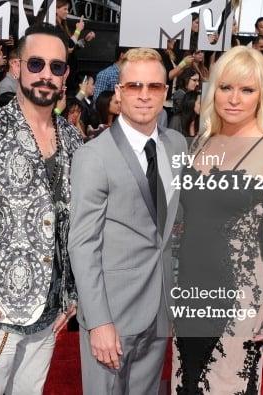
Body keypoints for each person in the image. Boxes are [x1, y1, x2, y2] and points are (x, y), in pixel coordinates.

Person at [0, 23, 82, 395]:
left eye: (57, 67)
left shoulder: (73, 139)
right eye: (36, 63)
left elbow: (75, 224)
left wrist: (71, 294)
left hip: (50, 312)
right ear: (16, 67)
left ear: (66, 74)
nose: (46, 75)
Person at [171, 46, 263, 393]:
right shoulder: (203, 141)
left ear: (262, 94)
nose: (234, 99)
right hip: (190, 290)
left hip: (239, 296)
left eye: (247, 90)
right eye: (226, 87)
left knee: (227, 384)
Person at [69, 47, 187, 395]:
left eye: (154, 86)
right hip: (113, 313)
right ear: (119, 92)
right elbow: (82, 244)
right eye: (134, 85)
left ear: (165, 92)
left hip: (160, 308)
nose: (145, 94)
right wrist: (99, 321)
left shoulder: (177, 145)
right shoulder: (93, 156)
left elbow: (170, 230)